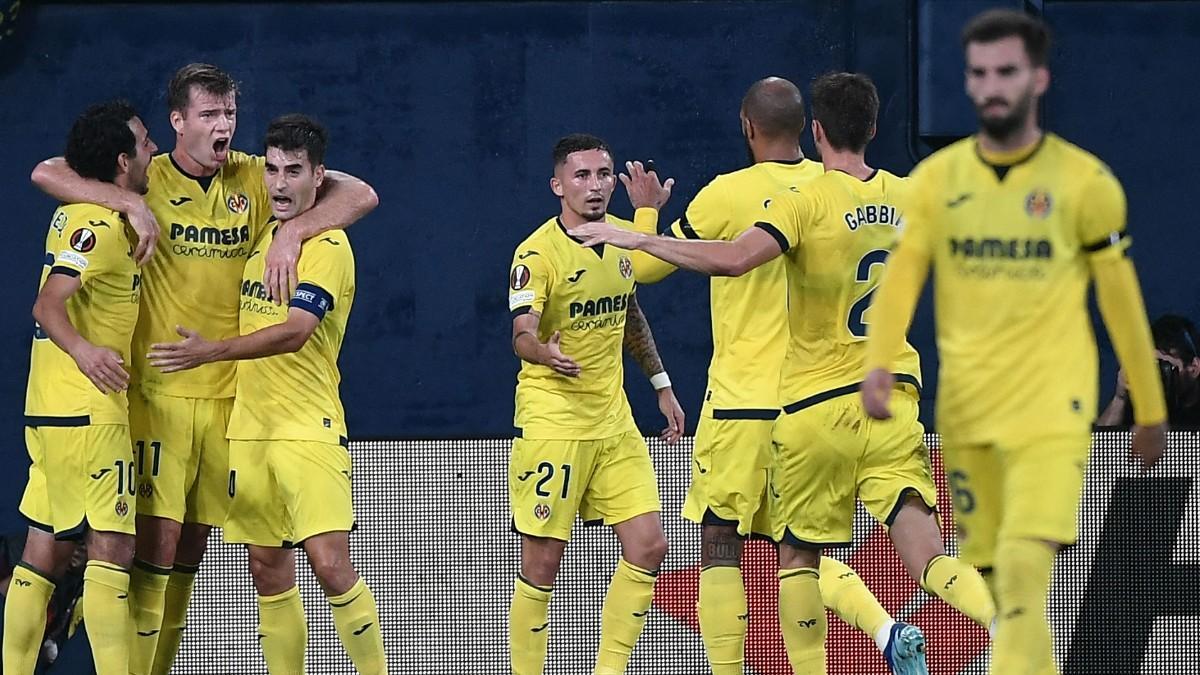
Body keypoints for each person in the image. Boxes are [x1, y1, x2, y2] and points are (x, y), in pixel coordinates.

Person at [571, 73, 997, 674]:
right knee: (835, 551)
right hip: (882, 394)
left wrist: (640, 220)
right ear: (813, 129)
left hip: (768, 401)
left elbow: (658, 269)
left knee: (726, 545)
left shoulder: (753, 196)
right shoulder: (893, 194)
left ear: (756, 128)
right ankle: (972, 627)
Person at [29, 63, 379, 675]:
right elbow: (45, 171)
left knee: (193, 550)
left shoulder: (253, 176)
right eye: (210, 114)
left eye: (230, 114)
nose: (224, 126)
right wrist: (125, 202)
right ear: (178, 121)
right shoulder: (148, 176)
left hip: (231, 402)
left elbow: (360, 193)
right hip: (159, 391)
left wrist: (294, 232)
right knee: (154, 549)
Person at [858, 10, 1167, 674]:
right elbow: (903, 277)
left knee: (1025, 565)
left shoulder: (1085, 184)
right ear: (967, 83)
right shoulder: (938, 182)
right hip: (970, 410)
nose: (993, 86)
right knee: (1002, 583)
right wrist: (877, 361)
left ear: (1039, 79)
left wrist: (1150, 406)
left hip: (1052, 407)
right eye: (980, 73)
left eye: (1008, 71)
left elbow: (1120, 300)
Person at [145, 114, 385, 674]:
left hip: (307, 427)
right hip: (250, 429)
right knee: (267, 569)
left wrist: (212, 351)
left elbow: (296, 331)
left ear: (318, 176)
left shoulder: (328, 246)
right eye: (272, 169)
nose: (279, 183)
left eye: (293, 171)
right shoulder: (261, 237)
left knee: (330, 564)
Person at [506, 133, 685, 675]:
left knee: (649, 546)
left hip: (613, 422)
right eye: (581, 176)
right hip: (554, 421)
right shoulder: (536, 253)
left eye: (604, 174)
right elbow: (521, 333)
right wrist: (543, 351)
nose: (595, 186)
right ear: (557, 185)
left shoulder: (625, 239)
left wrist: (661, 384)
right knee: (542, 563)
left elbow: (629, 312)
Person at [5, 100, 157, 675]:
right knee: (113, 554)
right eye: (145, 143)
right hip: (90, 411)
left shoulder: (74, 211)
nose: (154, 150)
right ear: (122, 161)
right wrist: (86, 350)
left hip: (47, 408)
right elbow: (48, 303)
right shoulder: (101, 226)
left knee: (41, 554)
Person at [1098, 314, 1200, 428]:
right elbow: (1098, 439)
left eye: (1164, 367)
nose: (1157, 376)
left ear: (1194, 368)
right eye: (1152, 368)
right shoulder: (1140, 404)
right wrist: (1120, 398)